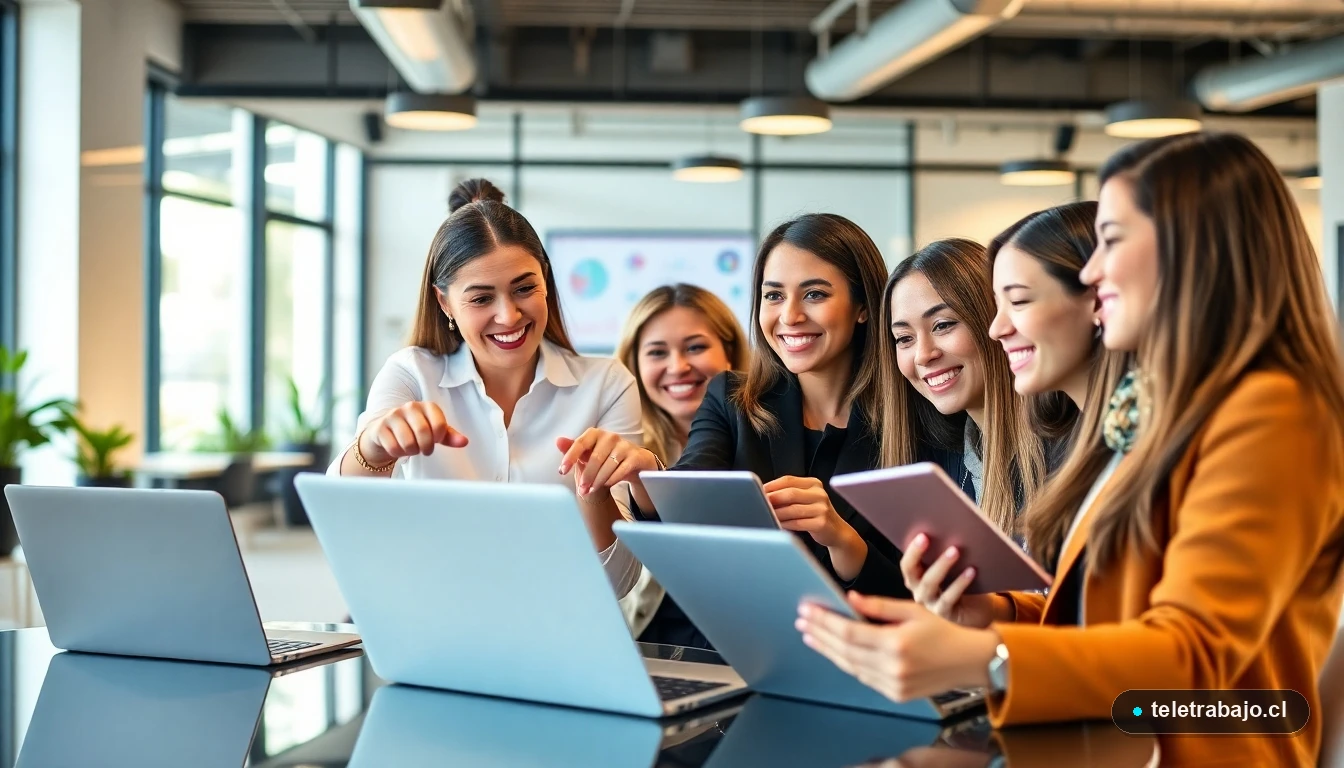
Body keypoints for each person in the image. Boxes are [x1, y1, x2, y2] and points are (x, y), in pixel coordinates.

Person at [797, 132, 1344, 767]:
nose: (1093, 271)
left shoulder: (1272, 411)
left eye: (1112, 240)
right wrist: (991, 614)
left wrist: (987, 658)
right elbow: (1105, 622)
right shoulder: (1159, 415)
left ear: (1191, 249)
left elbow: (1194, 656)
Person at [559, 213, 914, 646]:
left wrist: (842, 540)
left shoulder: (909, 421)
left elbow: (915, 599)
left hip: (864, 659)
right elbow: (687, 500)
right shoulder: (732, 399)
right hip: (739, 659)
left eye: (815, 294)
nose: (790, 315)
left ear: (863, 307)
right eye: (773, 295)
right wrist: (644, 472)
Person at [330, 178, 644, 603]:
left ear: (546, 280)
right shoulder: (411, 374)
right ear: (445, 303)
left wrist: (594, 491)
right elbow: (346, 522)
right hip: (432, 621)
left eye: (524, 288)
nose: (508, 316)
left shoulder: (607, 384)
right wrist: (375, 446)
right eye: (481, 299)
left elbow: (618, 584)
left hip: (560, 626)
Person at [902, 204, 1132, 606]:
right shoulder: (966, 458)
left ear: (1099, 299)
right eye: (902, 338)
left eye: (1019, 302)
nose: (998, 328)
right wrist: (999, 613)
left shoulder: (1134, 443)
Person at [880, 239, 1048, 536]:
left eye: (943, 325)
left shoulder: (1062, 450)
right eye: (904, 338)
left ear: (993, 319)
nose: (923, 355)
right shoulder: (948, 470)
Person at [611, 284, 749, 637]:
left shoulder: (769, 441)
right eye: (657, 352)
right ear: (634, 366)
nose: (678, 366)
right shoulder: (621, 454)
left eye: (695, 347)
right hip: (646, 638)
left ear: (730, 353)